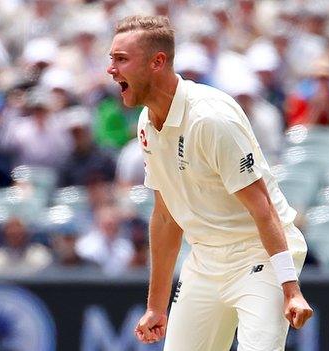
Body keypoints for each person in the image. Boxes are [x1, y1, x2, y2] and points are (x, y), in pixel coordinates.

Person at [106, 15, 313, 350]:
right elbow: (165, 215)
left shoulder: (211, 119)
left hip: (259, 255)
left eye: (121, 60)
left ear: (157, 62)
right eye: (111, 59)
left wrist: (291, 288)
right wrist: (156, 307)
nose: (111, 69)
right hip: (205, 260)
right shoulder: (146, 123)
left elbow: (264, 208)